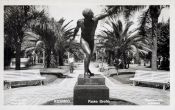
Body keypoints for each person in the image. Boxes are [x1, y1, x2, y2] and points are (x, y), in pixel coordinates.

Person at [72, 8, 114, 76]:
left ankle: (87, 70)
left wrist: (111, 11)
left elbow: (105, 14)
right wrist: (73, 37)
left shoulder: (95, 19)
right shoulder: (80, 22)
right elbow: (76, 29)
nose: (93, 13)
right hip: (84, 40)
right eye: (91, 13)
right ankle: (85, 72)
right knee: (88, 54)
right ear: (88, 16)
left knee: (89, 56)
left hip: (91, 40)